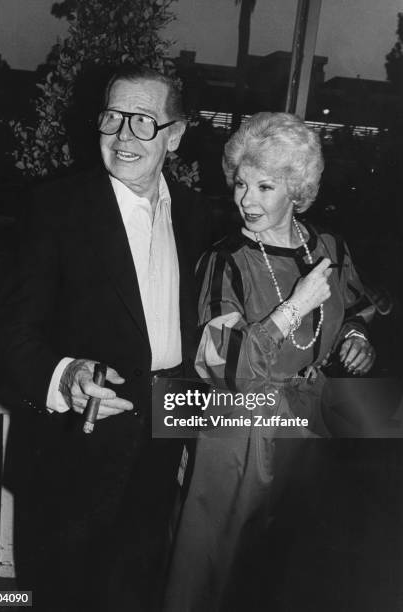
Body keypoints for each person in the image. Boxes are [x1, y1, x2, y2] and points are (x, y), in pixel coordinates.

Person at [0, 65, 213, 611]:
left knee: (135, 591)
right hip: (71, 450)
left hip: (162, 444)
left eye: (142, 122)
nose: (122, 137)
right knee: (63, 594)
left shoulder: (198, 214)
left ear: (176, 135)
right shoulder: (55, 207)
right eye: (112, 118)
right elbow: (7, 331)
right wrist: (64, 376)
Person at [163, 112, 375, 611]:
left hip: (308, 427)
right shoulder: (226, 260)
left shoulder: (328, 249)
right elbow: (225, 364)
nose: (246, 199)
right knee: (217, 565)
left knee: (286, 569)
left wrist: (358, 337)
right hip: (239, 436)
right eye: (241, 183)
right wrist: (295, 306)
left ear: (296, 190)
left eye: (264, 186)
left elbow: (355, 308)